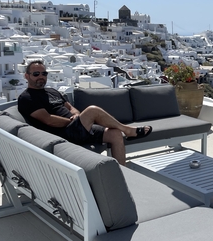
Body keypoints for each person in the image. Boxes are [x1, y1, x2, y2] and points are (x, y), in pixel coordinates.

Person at [18, 60, 151, 166]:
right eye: (36, 74)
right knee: (92, 110)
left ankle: (122, 172)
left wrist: (76, 116)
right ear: (27, 76)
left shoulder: (52, 91)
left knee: (115, 134)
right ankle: (127, 130)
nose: (41, 77)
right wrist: (73, 121)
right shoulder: (27, 97)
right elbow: (48, 120)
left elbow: (70, 107)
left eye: (44, 74)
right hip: (62, 134)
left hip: (77, 128)